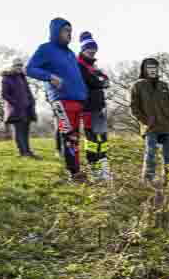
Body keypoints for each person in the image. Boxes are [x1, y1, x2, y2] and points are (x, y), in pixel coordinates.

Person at [26, 17, 89, 181]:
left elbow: (77, 77)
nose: (69, 34)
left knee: (75, 136)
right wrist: (50, 76)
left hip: (78, 101)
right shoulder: (46, 49)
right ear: (56, 31)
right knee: (69, 136)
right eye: (66, 30)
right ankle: (74, 173)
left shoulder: (70, 54)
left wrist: (84, 95)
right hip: (61, 101)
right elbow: (30, 69)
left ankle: (76, 169)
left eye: (70, 31)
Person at [130, 57, 169, 185]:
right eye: (149, 67)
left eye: (155, 67)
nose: (152, 70)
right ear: (144, 69)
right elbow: (134, 107)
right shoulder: (138, 85)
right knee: (150, 154)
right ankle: (147, 181)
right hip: (150, 127)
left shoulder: (164, 85)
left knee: (167, 156)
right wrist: (145, 121)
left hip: (165, 126)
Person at [77, 32, 112, 181]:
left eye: (94, 50)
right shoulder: (79, 65)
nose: (92, 53)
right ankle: (95, 172)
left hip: (99, 107)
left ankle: (105, 170)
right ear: (83, 50)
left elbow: (106, 80)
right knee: (91, 141)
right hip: (87, 108)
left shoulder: (93, 67)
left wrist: (100, 79)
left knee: (103, 140)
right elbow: (94, 82)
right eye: (89, 50)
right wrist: (99, 80)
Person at [0, 57, 38, 158]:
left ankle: (28, 152)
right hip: (16, 110)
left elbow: (27, 92)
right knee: (19, 132)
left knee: (25, 131)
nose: (19, 67)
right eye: (17, 65)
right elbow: (4, 94)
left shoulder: (22, 77)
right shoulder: (7, 77)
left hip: (27, 109)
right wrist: (16, 103)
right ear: (12, 66)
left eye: (21, 65)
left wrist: (32, 101)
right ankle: (23, 153)